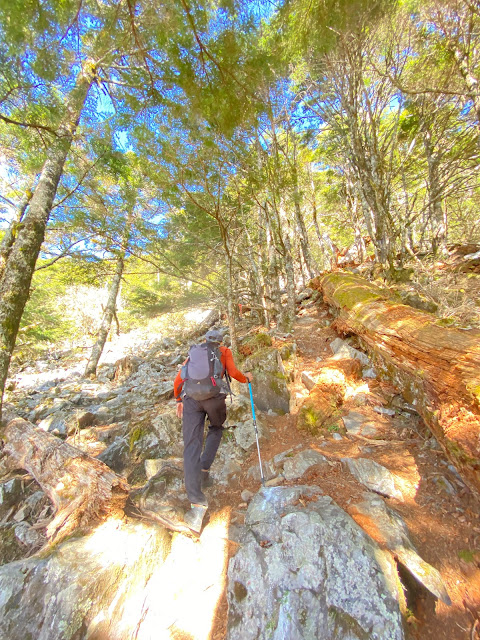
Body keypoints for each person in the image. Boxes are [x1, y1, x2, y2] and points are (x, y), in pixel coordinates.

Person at [174, 329, 253, 533]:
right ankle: (204, 467)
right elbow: (234, 373)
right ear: (220, 341)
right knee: (216, 428)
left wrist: (178, 400)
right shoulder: (224, 351)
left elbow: (178, 380)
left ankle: (197, 504)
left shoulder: (194, 353)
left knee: (191, 446)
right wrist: (247, 378)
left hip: (191, 399)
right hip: (215, 399)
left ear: (205, 340)